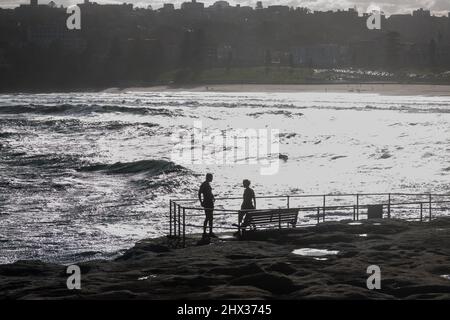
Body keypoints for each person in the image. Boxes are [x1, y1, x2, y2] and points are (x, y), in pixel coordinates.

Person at [198, 173, 216, 238]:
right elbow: (199, 193)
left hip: (210, 202)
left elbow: (209, 193)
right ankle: (205, 232)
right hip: (207, 203)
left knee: (210, 218)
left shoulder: (207, 184)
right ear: (208, 177)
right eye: (211, 177)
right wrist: (201, 201)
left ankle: (210, 231)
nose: (212, 178)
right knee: (208, 217)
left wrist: (213, 197)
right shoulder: (204, 184)